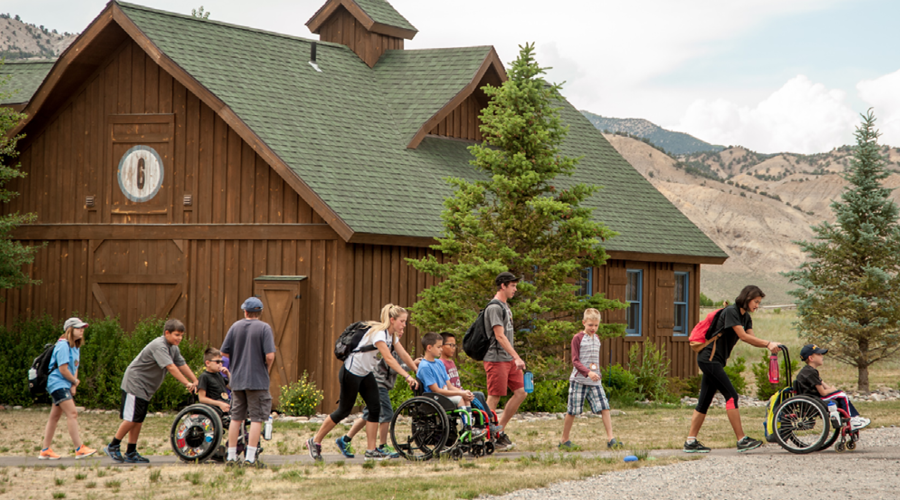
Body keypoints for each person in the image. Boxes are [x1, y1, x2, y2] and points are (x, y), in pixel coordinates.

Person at [307, 304, 418, 462]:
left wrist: (416, 370)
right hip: (351, 373)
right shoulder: (379, 333)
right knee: (343, 411)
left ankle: (371, 451)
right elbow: (388, 358)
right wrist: (407, 376)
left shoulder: (391, 336)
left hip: (366, 373)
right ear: (392, 320)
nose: (404, 325)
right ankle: (315, 440)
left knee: (374, 408)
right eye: (402, 321)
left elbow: (403, 354)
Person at [684, 285, 782, 453]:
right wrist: (768, 344)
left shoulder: (746, 318)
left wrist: (771, 344)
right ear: (747, 298)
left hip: (716, 361)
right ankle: (741, 439)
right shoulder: (732, 311)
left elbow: (750, 337)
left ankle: (690, 442)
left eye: (759, 302)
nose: (757, 306)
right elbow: (743, 336)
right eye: (756, 302)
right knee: (731, 396)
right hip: (709, 359)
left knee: (705, 401)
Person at [104, 319, 198, 464]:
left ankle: (131, 451)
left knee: (138, 419)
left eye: (181, 336)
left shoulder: (173, 347)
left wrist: (195, 379)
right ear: (167, 333)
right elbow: (171, 367)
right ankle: (113, 445)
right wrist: (186, 383)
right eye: (177, 335)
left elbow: (181, 364)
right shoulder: (159, 346)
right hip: (135, 383)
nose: (179, 338)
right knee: (131, 419)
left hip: (146, 388)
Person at [337, 331, 419, 460]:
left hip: (380, 384)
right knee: (386, 414)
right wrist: (412, 366)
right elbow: (391, 367)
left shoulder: (394, 347)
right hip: (378, 384)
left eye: (404, 330)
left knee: (368, 415)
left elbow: (400, 359)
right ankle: (382, 445)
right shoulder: (384, 345)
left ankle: (345, 439)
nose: (402, 332)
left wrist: (412, 363)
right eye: (399, 329)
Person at [220, 297, 276, 469]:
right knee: (257, 418)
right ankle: (250, 458)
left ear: (245, 311)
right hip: (257, 380)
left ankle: (231, 456)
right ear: (260, 312)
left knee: (236, 418)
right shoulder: (264, 328)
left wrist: (239, 360)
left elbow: (224, 352)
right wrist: (266, 369)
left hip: (237, 380)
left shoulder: (235, 326)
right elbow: (270, 355)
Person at [559, 309, 623, 450]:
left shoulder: (597, 338)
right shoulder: (578, 338)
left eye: (596, 325)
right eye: (590, 325)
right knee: (573, 411)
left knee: (604, 407)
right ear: (583, 323)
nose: (593, 328)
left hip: (595, 381)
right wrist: (588, 372)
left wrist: (595, 373)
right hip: (579, 381)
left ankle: (611, 439)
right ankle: (564, 440)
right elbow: (575, 361)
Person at [39, 318, 96, 460]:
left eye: (83, 327)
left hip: (65, 384)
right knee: (72, 413)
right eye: (78, 328)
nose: (82, 330)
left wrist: (73, 385)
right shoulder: (63, 346)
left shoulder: (75, 347)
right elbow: (63, 369)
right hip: (57, 383)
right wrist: (75, 381)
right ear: (70, 330)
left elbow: (74, 367)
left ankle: (45, 450)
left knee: (55, 416)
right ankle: (79, 448)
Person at [483, 271, 526, 451]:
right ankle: (484, 435)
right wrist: (517, 356)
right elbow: (499, 336)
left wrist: (513, 357)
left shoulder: (505, 306)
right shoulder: (494, 307)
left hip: (509, 359)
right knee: (494, 397)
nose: (515, 289)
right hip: (496, 358)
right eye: (513, 286)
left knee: (521, 392)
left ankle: (498, 431)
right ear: (503, 286)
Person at [796, 344, 870, 431]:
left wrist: (832, 390)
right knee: (841, 395)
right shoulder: (810, 372)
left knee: (839, 394)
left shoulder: (810, 371)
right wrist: (833, 390)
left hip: (814, 398)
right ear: (811, 358)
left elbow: (823, 385)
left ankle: (854, 418)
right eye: (819, 354)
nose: (822, 356)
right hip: (813, 399)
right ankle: (852, 420)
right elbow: (823, 392)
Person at [417, 332, 474, 408]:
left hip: (443, 395)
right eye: (439, 347)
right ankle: (463, 418)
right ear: (429, 348)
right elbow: (436, 390)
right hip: (434, 398)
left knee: (466, 398)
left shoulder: (439, 363)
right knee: (460, 398)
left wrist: (464, 392)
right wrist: (461, 394)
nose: (441, 349)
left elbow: (449, 386)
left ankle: (468, 420)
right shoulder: (425, 366)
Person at [197, 347, 231, 414]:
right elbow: (202, 398)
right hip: (214, 408)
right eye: (217, 362)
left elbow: (231, 387)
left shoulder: (219, 375)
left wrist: (228, 374)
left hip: (225, 404)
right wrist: (219, 404)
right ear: (208, 363)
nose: (220, 364)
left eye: (221, 362)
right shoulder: (204, 376)